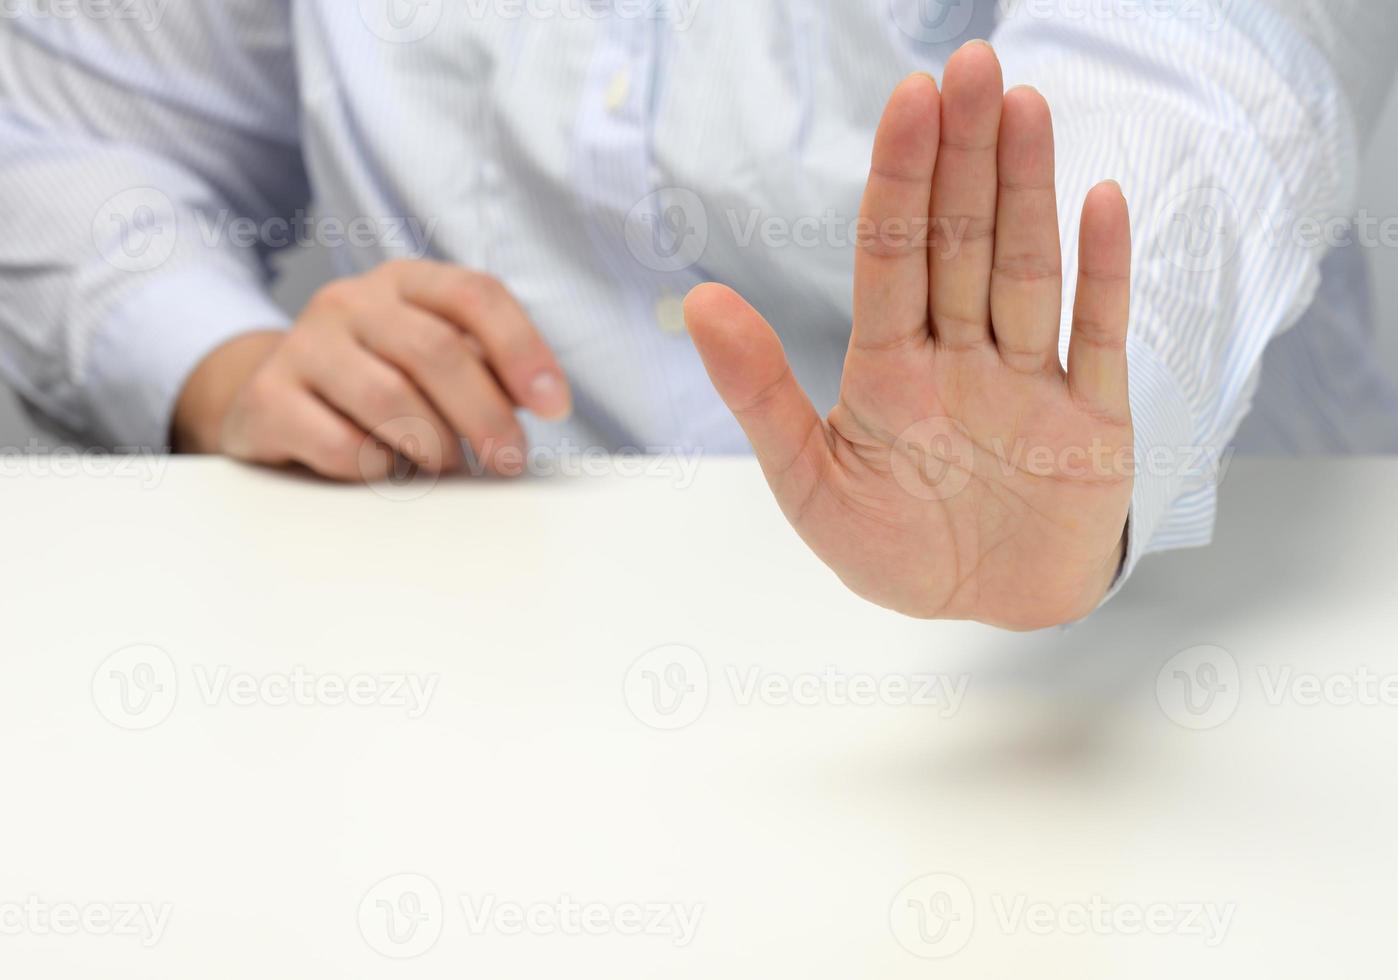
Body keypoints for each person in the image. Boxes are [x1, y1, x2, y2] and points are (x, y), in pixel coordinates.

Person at [0, 1, 1395, 629]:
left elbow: (1210, 68)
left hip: (1125, 699)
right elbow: (72, 130)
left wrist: (1079, 411)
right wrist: (219, 358)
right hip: (454, 693)